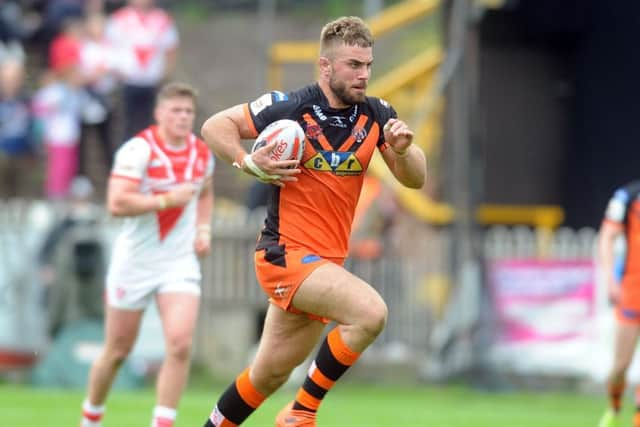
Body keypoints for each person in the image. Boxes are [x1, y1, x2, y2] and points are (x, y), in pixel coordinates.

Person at [200, 16, 426, 427]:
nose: (364, 75)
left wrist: (403, 150)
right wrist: (248, 162)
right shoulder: (290, 107)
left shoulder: (377, 115)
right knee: (370, 313)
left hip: (324, 265)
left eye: (368, 65)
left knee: (266, 375)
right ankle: (302, 413)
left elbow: (415, 179)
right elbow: (215, 126)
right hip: (284, 255)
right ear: (325, 66)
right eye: (353, 65)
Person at [79, 82, 215, 427]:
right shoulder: (138, 150)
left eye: (188, 112)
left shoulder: (202, 153)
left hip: (179, 261)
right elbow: (116, 203)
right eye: (176, 111)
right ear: (159, 114)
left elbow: (205, 192)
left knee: (181, 343)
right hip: (135, 261)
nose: (183, 117)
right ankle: (91, 417)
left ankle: (163, 423)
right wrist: (167, 199)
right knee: (117, 352)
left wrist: (203, 229)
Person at [598, 180, 640, 427]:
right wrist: (610, 278)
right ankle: (614, 407)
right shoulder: (627, 196)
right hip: (631, 290)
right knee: (620, 367)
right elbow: (607, 236)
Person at [106, 0, 179, 139]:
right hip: (127, 80)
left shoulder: (162, 19)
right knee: (127, 124)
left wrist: (165, 74)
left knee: (151, 123)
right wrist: (116, 72)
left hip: (152, 81)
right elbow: (109, 46)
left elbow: (171, 48)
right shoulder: (119, 19)